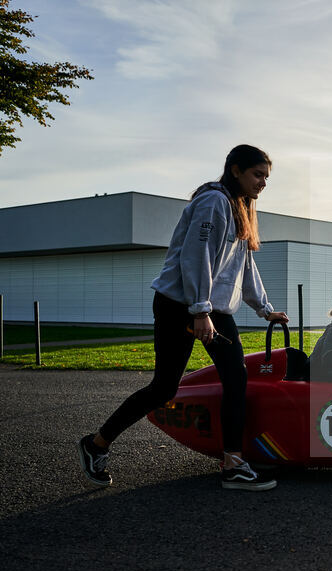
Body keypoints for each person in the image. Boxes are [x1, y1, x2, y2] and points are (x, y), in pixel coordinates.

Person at [78, 144, 288, 491]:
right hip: (181, 305)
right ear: (235, 170)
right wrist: (200, 309)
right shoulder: (213, 201)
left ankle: (233, 463)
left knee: (236, 379)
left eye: (267, 177)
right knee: (164, 388)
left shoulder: (242, 207)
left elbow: (243, 265)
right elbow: (196, 256)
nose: (263, 182)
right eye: (257, 174)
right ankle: (96, 443)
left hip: (212, 309)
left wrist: (263, 308)